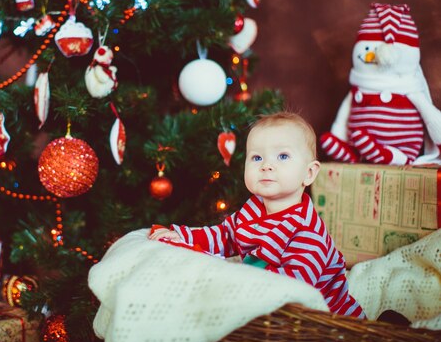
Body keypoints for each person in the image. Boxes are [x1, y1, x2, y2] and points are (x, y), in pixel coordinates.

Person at [149, 111, 365, 319]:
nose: (266, 166)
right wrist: (184, 237)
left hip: (327, 319)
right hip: (267, 304)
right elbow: (225, 236)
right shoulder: (253, 209)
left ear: (308, 173)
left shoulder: (307, 232)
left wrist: (240, 279)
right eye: (256, 157)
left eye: (282, 156)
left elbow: (295, 288)